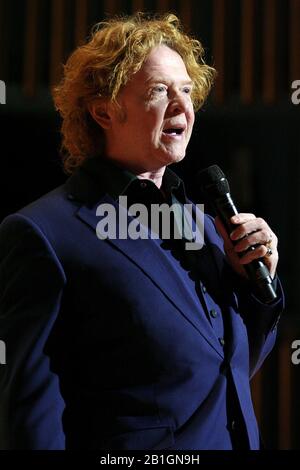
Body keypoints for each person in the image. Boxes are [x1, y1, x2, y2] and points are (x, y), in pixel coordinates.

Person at [0, 13, 283, 450]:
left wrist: (253, 283)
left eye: (187, 90)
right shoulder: (45, 234)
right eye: (159, 91)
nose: (181, 105)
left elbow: (226, 367)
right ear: (104, 110)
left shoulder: (205, 226)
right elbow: (31, 420)